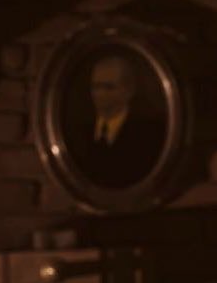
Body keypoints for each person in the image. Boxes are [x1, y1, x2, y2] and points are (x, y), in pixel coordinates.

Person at [65, 55, 166, 189]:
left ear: (129, 91)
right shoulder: (75, 132)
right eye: (95, 87)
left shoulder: (149, 135)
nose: (100, 94)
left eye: (108, 87)